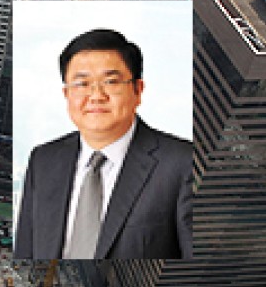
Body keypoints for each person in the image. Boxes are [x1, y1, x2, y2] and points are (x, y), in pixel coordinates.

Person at [13, 28, 194, 259]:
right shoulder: (44, 160)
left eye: (110, 82)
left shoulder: (182, 164)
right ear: (66, 94)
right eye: (81, 84)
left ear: (137, 90)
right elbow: (26, 252)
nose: (96, 95)